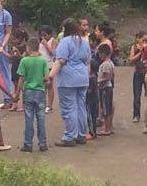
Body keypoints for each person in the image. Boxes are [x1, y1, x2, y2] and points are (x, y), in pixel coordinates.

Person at [52, 18, 93, 147]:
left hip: (68, 79)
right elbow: (87, 60)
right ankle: (81, 134)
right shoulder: (84, 42)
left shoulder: (65, 42)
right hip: (82, 76)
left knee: (69, 107)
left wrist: (50, 75)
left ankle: (70, 136)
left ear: (65, 29)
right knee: (81, 106)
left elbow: (61, 60)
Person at [16, 38, 52, 152]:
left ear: (28, 48)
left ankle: (28, 144)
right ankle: (43, 143)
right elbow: (47, 78)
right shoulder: (43, 60)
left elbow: (21, 79)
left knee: (28, 118)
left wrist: (17, 94)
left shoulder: (24, 61)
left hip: (28, 91)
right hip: (40, 91)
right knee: (41, 118)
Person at [95, 43, 116, 136]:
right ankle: (109, 127)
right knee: (108, 107)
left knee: (105, 108)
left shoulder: (105, 64)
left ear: (103, 54)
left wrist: (99, 83)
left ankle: (107, 129)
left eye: (100, 54)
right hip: (109, 87)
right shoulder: (110, 63)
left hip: (105, 88)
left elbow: (107, 77)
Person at [128, 32, 147, 124]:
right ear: (138, 39)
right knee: (137, 95)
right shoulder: (134, 47)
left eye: (146, 40)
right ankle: (136, 115)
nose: (144, 42)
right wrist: (140, 52)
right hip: (138, 73)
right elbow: (131, 59)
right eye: (143, 40)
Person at [37, 26, 57, 114]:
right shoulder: (40, 42)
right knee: (41, 85)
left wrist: (46, 45)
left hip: (50, 64)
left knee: (49, 85)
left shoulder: (53, 41)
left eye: (45, 35)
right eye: (42, 35)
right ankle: (42, 104)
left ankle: (49, 105)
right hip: (41, 64)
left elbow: (53, 53)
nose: (43, 37)